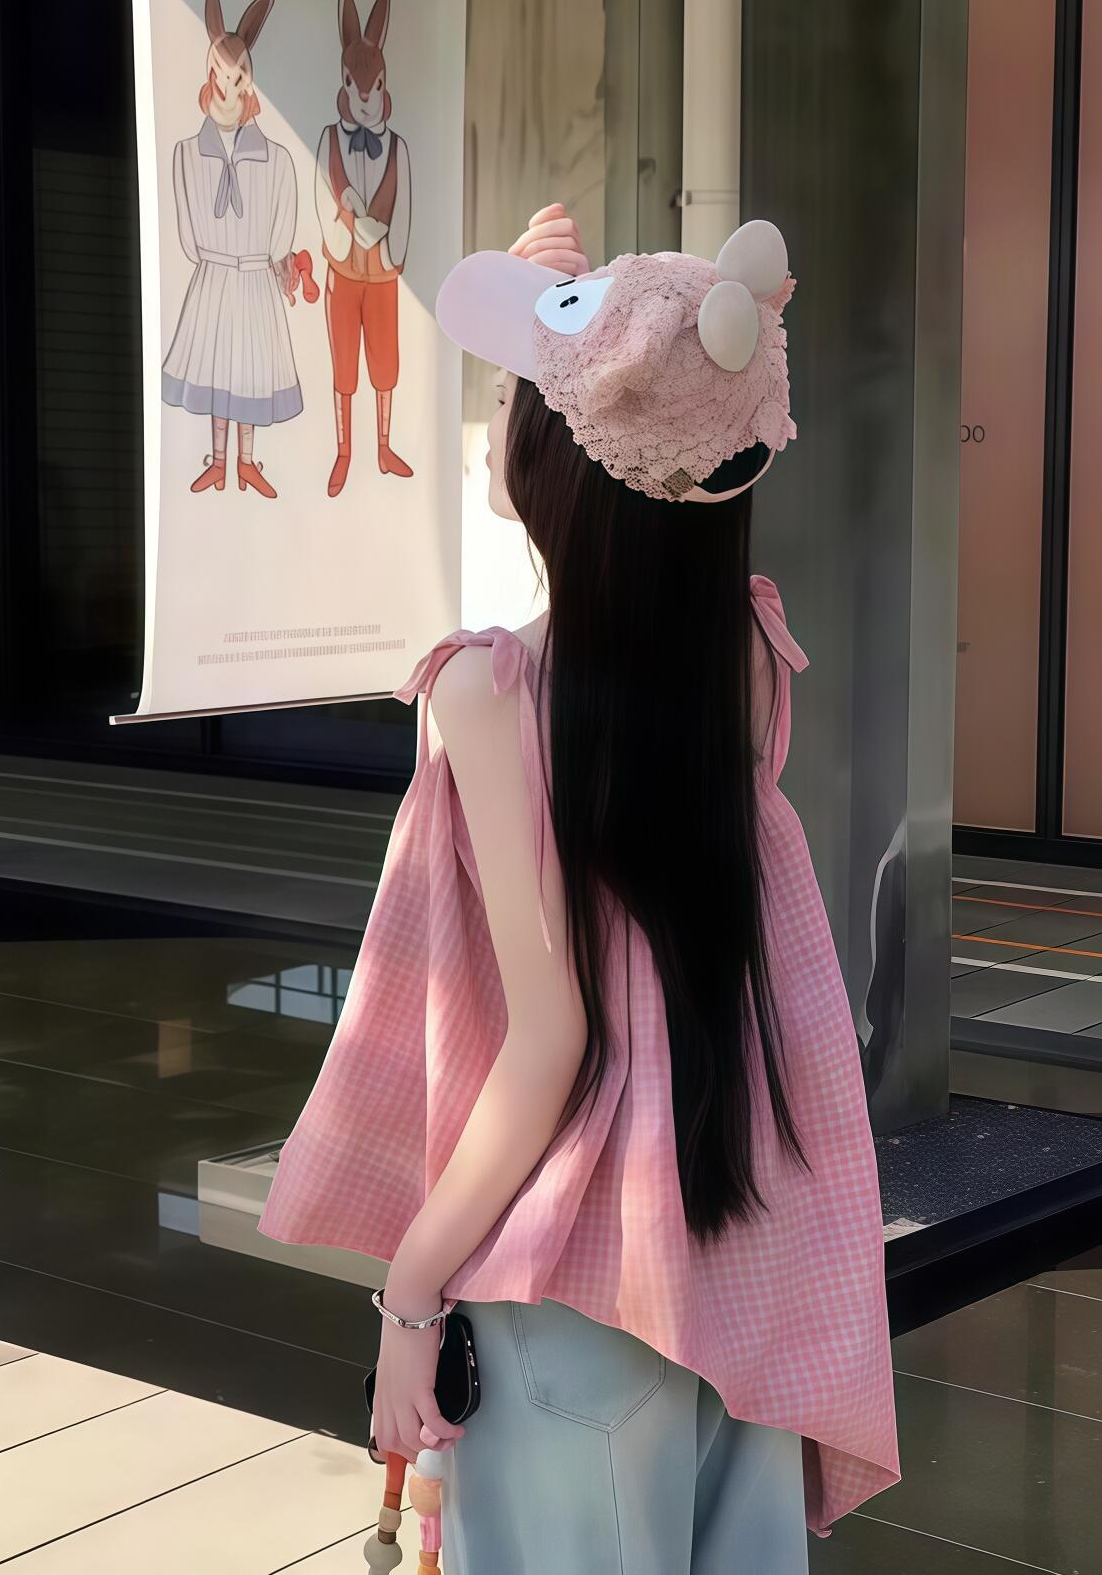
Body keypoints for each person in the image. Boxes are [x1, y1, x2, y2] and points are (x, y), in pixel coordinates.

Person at [262, 203, 898, 1571]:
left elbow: (552, 1037)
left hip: (572, 1284)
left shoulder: (490, 695)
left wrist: (411, 1294)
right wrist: (565, 336)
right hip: (739, 1263)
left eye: (521, 398)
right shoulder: (741, 656)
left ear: (560, 466)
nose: (503, 422)